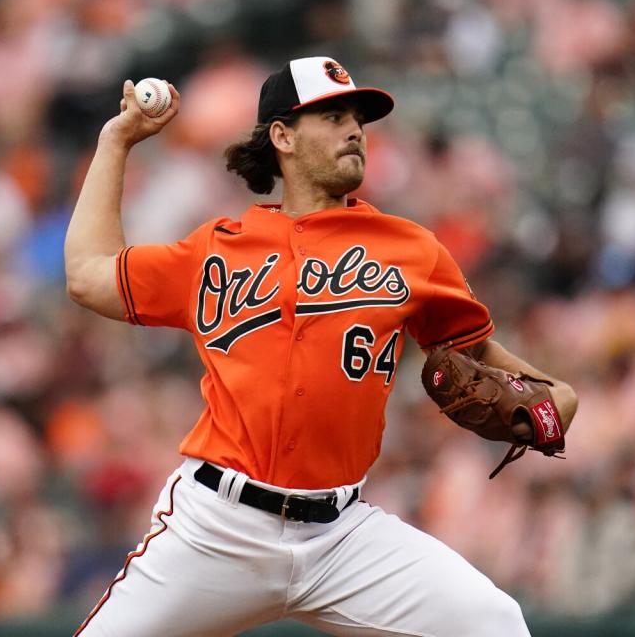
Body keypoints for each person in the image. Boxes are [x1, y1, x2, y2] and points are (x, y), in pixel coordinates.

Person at [65, 56, 578, 637]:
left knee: (494, 624)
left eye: (357, 118)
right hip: (217, 527)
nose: (354, 129)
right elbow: (87, 274)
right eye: (333, 116)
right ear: (281, 135)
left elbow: (492, 363)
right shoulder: (216, 250)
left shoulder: (411, 248)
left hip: (341, 535)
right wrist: (116, 141)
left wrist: (555, 399)